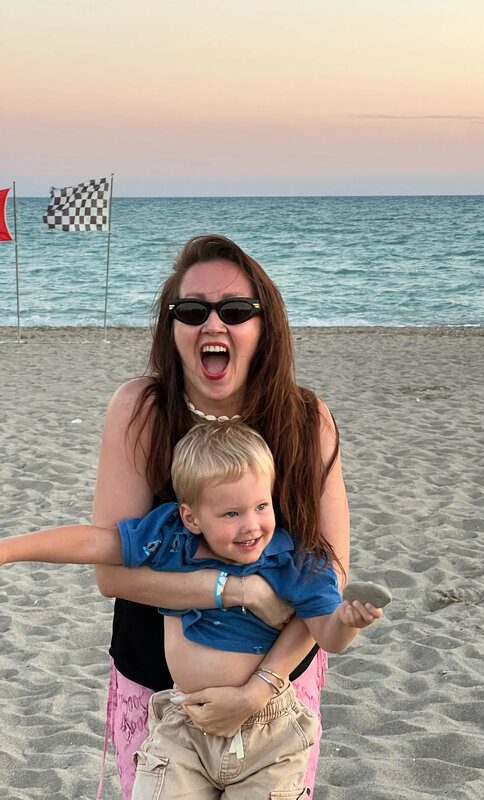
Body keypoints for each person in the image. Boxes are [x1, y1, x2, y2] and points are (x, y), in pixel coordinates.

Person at [92, 234, 351, 798]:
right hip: (158, 690)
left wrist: (259, 689)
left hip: (276, 697)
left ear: (264, 325)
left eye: (235, 310)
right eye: (192, 310)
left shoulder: (306, 420)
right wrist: (238, 591)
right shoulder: (141, 410)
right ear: (172, 327)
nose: (213, 323)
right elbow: (110, 573)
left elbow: (330, 573)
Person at [0, 422, 382, 798]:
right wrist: (9, 550)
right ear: (191, 517)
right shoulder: (171, 540)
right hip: (184, 725)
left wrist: (347, 622)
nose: (251, 525)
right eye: (231, 514)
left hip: (268, 732)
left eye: (261, 506)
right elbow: (95, 544)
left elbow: (329, 638)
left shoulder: (291, 560)